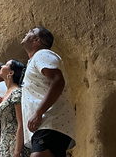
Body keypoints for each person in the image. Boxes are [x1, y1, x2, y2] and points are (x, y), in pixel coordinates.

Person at [20, 27, 75, 157]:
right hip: (48, 124)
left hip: (50, 121)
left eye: (30, 32)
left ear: (36, 40)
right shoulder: (36, 59)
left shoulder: (42, 54)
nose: (26, 32)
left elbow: (57, 81)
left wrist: (39, 112)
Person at [0, 60, 30, 157]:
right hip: (4, 144)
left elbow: (21, 123)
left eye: (6, 65)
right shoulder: (6, 94)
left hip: (14, 143)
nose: (1, 66)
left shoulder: (17, 93)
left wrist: (17, 152)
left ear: (11, 73)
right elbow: (4, 121)